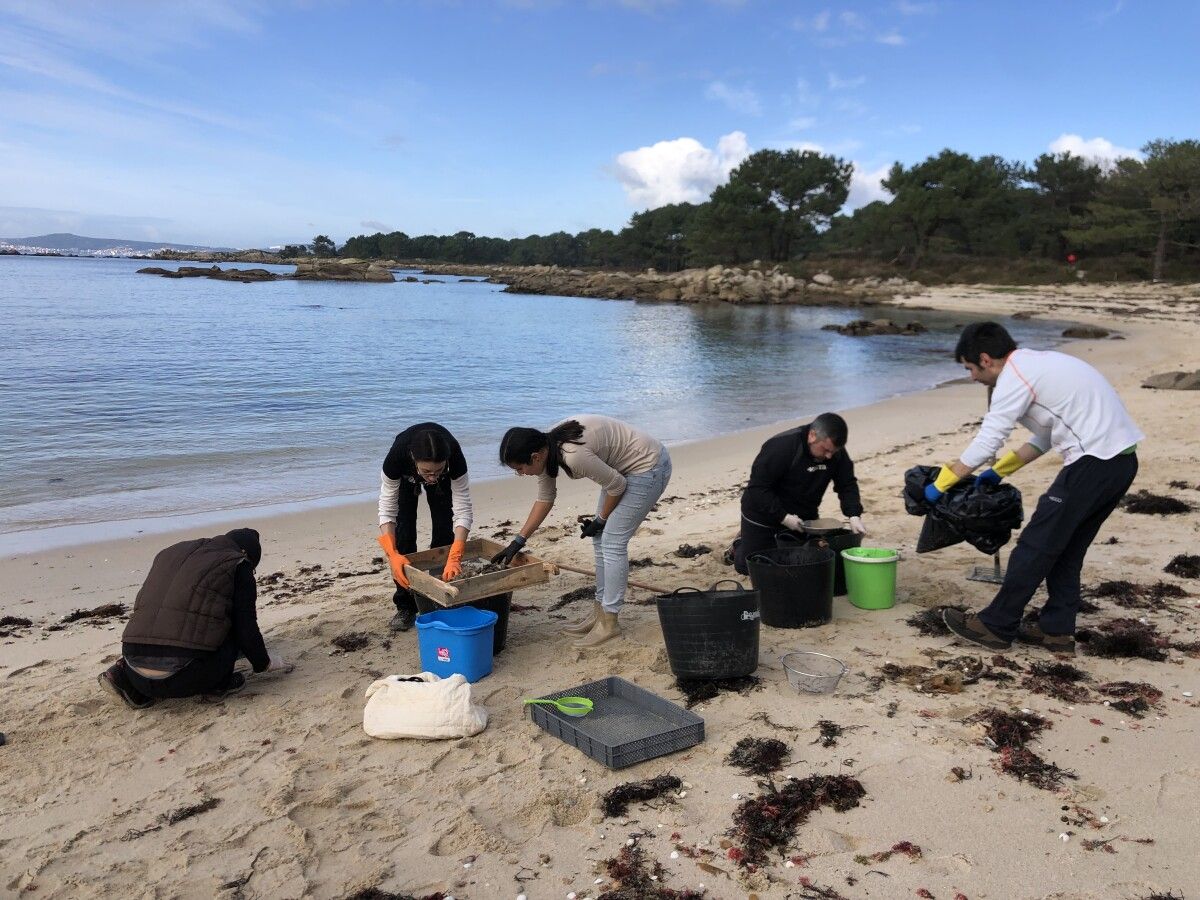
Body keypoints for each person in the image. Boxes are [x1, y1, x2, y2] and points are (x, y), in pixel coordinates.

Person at [928, 322, 1143, 653]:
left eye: (970, 368)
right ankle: (1056, 631)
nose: (972, 377)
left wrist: (942, 482)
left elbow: (988, 440)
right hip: (1121, 462)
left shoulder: (1014, 376)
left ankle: (996, 626)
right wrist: (1000, 471)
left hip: (1094, 461)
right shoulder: (1037, 365)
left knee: (1035, 544)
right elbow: (1046, 436)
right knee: (1067, 550)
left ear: (985, 359)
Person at [495, 415, 672, 648]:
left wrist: (601, 519)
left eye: (520, 469)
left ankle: (610, 623)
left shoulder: (573, 456)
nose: (521, 474)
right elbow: (545, 498)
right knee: (599, 539)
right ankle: (599, 613)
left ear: (535, 457)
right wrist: (518, 541)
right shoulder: (544, 447)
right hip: (620, 471)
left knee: (612, 542)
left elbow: (617, 485)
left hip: (648, 466)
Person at [97, 528, 291, 709]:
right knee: (227, 624)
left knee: (160, 618)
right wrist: (264, 663)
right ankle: (219, 685)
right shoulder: (238, 563)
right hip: (189, 678)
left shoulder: (169, 553)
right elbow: (245, 626)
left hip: (135, 669)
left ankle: (123, 676)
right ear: (245, 554)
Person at [733, 412, 866, 575]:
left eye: (833, 451)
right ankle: (738, 544)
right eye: (825, 450)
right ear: (812, 436)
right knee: (752, 567)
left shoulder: (834, 453)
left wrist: (854, 515)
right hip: (762, 513)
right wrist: (783, 517)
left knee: (802, 564)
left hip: (802, 517)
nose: (829, 456)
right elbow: (757, 489)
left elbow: (847, 484)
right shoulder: (781, 447)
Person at [377, 423, 474, 632]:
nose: (432, 477)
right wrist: (392, 553)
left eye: (438, 470)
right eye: (427, 471)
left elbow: (463, 510)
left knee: (443, 531)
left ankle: (439, 595)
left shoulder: (454, 458)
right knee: (404, 536)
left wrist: (456, 554)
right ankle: (405, 606)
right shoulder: (397, 458)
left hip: (441, 473)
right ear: (413, 458)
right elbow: (386, 510)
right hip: (406, 478)